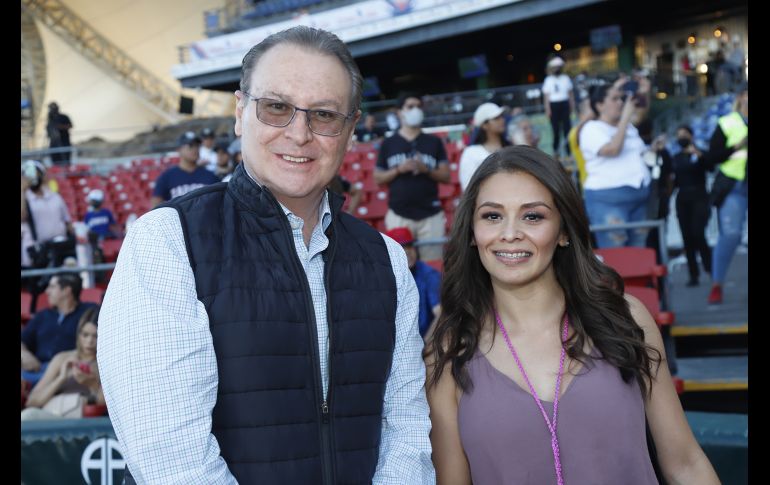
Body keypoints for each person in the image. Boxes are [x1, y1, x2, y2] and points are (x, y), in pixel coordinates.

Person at [98, 26, 434, 484]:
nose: (299, 133)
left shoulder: (387, 260)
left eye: (324, 115)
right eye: (276, 107)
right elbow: (171, 458)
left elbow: (406, 430)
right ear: (240, 113)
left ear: (351, 130)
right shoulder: (168, 241)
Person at [424, 145, 719, 484]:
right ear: (472, 234)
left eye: (533, 216)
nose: (510, 233)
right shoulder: (448, 349)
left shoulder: (626, 318)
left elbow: (685, 464)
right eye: (492, 216)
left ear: (563, 231)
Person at [374, 93, 451, 261]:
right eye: (410, 106)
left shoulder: (434, 141)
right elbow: (378, 178)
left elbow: (446, 176)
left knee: (432, 266)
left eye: (418, 106)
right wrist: (399, 169)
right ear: (399, 112)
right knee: (400, 265)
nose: (415, 110)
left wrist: (426, 169)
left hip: (430, 214)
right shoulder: (388, 143)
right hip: (399, 214)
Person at [579, 77, 652, 248]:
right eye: (614, 99)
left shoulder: (627, 127)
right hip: (608, 200)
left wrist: (644, 93)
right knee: (616, 254)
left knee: (638, 253)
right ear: (599, 105)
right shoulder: (591, 128)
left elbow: (641, 113)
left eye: (621, 98)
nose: (620, 102)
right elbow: (612, 150)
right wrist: (625, 117)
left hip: (639, 197)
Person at [702, 81, 748, 305]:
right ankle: (717, 284)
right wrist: (736, 147)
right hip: (734, 186)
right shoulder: (727, 122)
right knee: (730, 234)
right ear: (741, 97)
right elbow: (710, 158)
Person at [22, 306, 104, 420]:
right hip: (52, 416)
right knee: (28, 415)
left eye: (96, 336)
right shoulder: (62, 359)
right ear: (78, 334)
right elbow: (32, 402)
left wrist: (92, 385)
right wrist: (61, 378)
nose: (89, 341)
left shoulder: (105, 363)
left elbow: (108, 407)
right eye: (85, 335)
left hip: (84, 421)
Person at [21, 273, 97, 387]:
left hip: (68, 372)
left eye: (52, 287)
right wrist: (24, 354)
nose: (47, 291)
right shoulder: (43, 315)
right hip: (37, 370)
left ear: (66, 290)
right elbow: (23, 340)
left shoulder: (89, 313)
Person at [669, 125, 712, 287]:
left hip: (699, 196)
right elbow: (673, 180)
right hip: (682, 198)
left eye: (684, 134)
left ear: (691, 136)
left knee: (698, 233)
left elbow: (710, 167)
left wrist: (699, 155)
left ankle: (710, 268)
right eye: (679, 135)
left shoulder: (700, 153)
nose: (681, 137)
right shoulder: (676, 157)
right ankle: (693, 274)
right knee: (687, 238)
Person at [385, 227, 441, 341]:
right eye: (401, 248)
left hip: (425, 340)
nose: (407, 252)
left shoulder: (429, 274)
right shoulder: (383, 278)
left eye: (409, 246)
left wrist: (425, 345)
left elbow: (441, 314)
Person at [150, 131, 220, 207]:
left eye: (197, 146)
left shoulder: (210, 176)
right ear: (179, 150)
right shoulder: (167, 177)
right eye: (190, 146)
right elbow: (156, 204)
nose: (195, 149)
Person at [458, 102, 507, 191]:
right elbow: (468, 187)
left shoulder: (511, 147)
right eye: (496, 118)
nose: (502, 120)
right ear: (484, 125)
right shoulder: (471, 153)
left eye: (501, 116)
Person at [542, 56, 575, 160]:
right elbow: (546, 96)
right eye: (555, 67)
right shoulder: (548, 80)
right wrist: (548, 109)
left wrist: (572, 105)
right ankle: (556, 152)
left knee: (567, 129)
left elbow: (570, 93)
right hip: (554, 105)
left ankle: (569, 152)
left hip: (564, 104)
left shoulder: (565, 78)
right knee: (555, 130)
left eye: (558, 67)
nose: (557, 69)